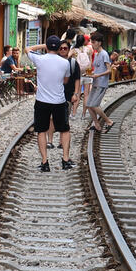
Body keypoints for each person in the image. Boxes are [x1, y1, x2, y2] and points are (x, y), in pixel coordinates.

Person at [25, 36, 72, 172]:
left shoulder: (39, 59)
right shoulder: (65, 63)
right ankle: (65, 159)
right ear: (58, 48)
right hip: (59, 101)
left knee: (41, 130)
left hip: (42, 101)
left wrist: (42, 46)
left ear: (47, 47)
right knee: (64, 130)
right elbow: (65, 80)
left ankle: (45, 162)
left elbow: (27, 49)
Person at [46, 40, 80, 147]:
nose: (63, 50)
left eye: (65, 48)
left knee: (64, 119)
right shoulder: (53, 61)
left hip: (68, 95)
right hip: (53, 94)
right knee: (51, 118)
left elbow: (77, 80)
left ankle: (62, 142)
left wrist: (76, 94)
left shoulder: (73, 63)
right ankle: (50, 141)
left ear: (69, 50)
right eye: (61, 48)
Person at [85, 32, 115, 133]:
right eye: (91, 42)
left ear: (99, 43)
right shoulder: (97, 54)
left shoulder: (104, 54)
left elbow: (109, 70)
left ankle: (108, 121)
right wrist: (92, 74)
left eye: (93, 42)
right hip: (95, 82)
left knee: (94, 104)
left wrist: (97, 75)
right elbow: (98, 69)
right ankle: (96, 124)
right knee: (88, 104)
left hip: (101, 83)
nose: (92, 44)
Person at [70, 35, 93, 119]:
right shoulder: (89, 50)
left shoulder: (73, 50)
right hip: (87, 74)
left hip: (78, 75)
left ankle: (73, 113)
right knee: (86, 95)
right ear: (84, 41)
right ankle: (83, 114)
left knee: (77, 94)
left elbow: (67, 58)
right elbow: (90, 62)